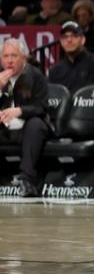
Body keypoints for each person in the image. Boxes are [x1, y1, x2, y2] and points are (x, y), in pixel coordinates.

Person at [0, 39, 52, 197]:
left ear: (23, 57)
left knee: (35, 125)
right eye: (6, 56)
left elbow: (42, 107)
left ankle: (27, 180)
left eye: (14, 56)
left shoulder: (35, 75)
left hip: (27, 128)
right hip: (5, 129)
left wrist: (20, 111)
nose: (9, 60)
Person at [48, 20, 94, 92]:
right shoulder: (55, 70)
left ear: (83, 40)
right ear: (61, 42)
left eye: (74, 36)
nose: (69, 40)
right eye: (65, 37)